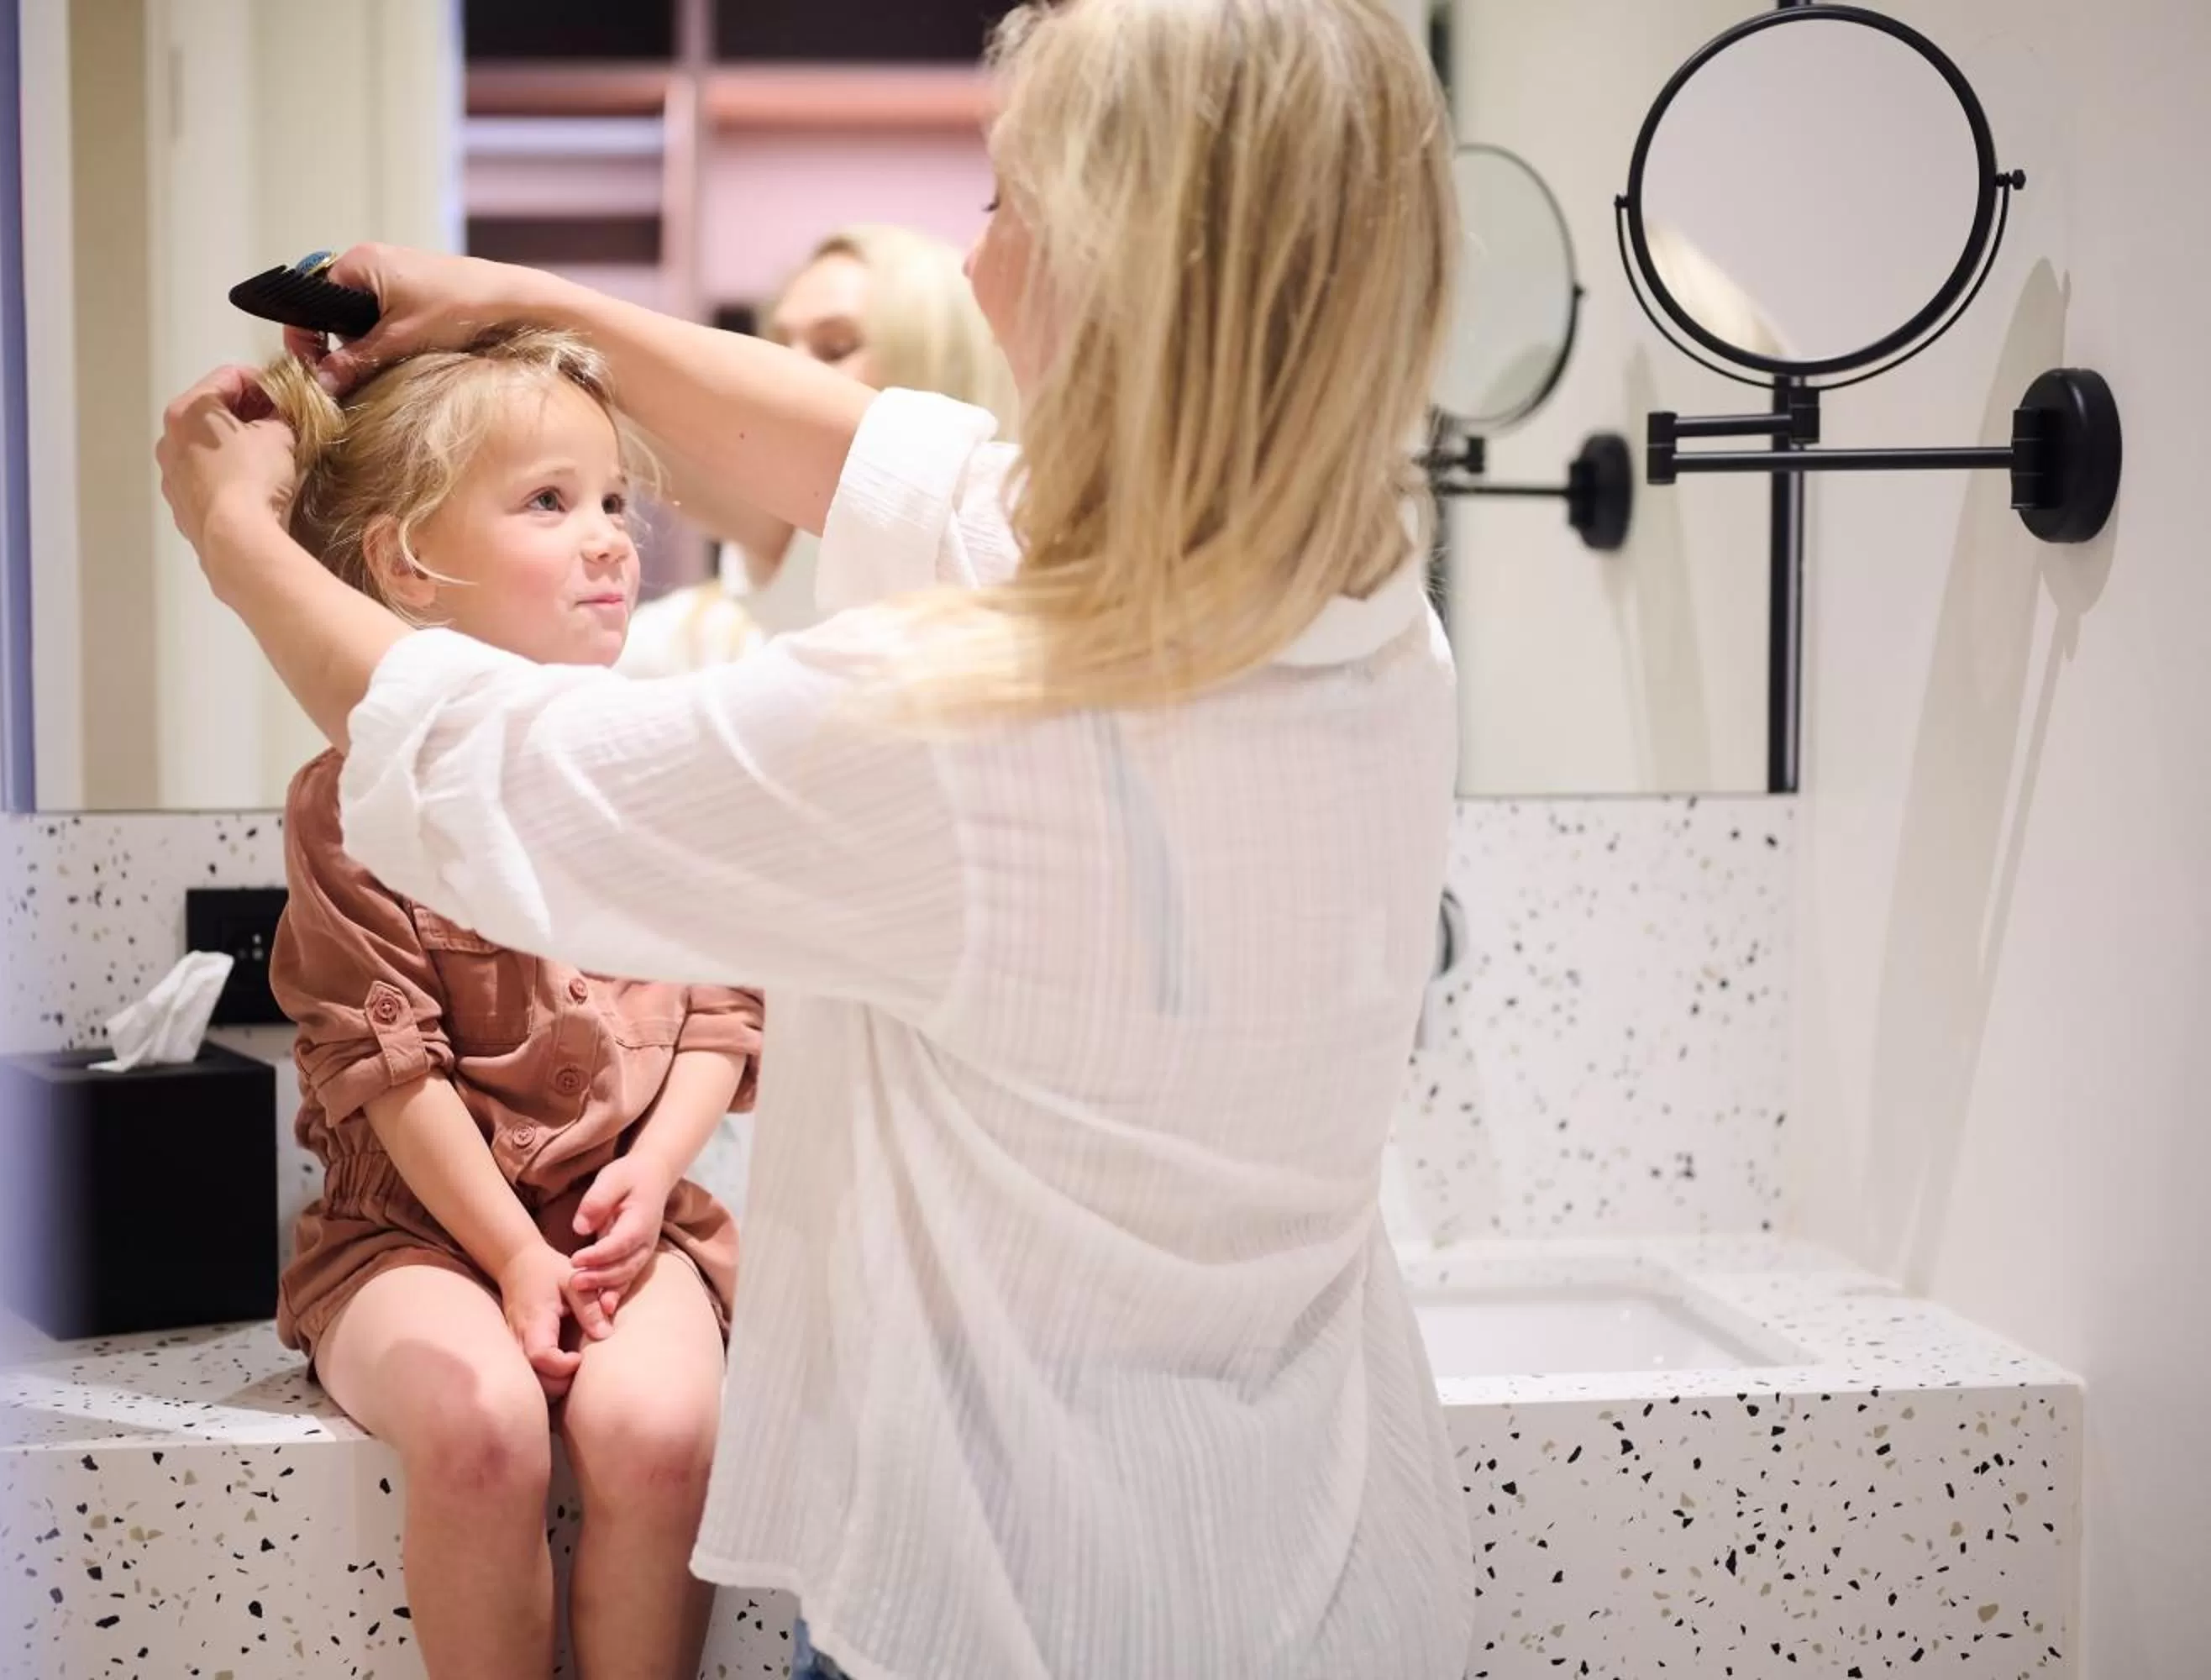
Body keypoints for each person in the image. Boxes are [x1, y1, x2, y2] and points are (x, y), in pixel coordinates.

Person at [158, 1, 1476, 1674]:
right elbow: (891, 461)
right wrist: (518, 305)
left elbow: (504, 777)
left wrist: (239, 536)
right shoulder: (1370, 620)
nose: (976, 266)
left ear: (1118, 272)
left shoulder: (969, 730)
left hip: (1021, 1622)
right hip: (1318, 1577)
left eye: (1006, 205)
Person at [258, 327, 760, 1680]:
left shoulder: (666, 764)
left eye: (614, 501)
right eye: (548, 501)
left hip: (617, 1217)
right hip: (411, 1236)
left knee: (662, 1434)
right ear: (410, 564)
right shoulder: (356, 803)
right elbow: (389, 1067)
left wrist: (648, 1176)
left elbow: (723, 1007)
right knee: (481, 1430)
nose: (609, 540)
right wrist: (513, 1257)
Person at [617, 223, 1017, 677]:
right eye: (776, 346)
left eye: (834, 348)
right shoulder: (698, 633)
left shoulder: (1000, 621)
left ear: (940, 376)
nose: (780, 372)